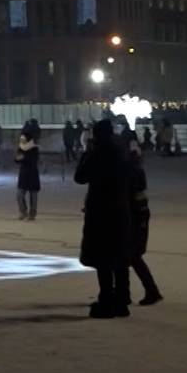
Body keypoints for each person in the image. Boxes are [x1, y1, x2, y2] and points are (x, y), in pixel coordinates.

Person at [74, 119, 131, 318]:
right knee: (119, 257)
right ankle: (122, 299)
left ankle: (107, 299)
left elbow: (80, 176)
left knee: (103, 258)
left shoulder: (98, 153)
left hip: (101, 211)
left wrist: (86, 152)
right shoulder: (120, 151)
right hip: (120, 209)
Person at [127, 138, 161, 306]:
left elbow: (134, 195)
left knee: (132, 256)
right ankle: (149, 290)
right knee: (132, 256)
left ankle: (152, 290)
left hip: (135, 215)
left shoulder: (132, 172)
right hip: (139, 213)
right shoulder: (137, 170)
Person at [15, 120, 41, 220]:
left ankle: (32, 214)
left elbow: (33, 160)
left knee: (33, 195)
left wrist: (23, 158)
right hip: (24, 172)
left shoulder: (34, 147)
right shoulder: (21, 147)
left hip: (32, 172)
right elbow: (17, 158)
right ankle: (24, 212)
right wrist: (18, 159)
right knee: (20, 194)